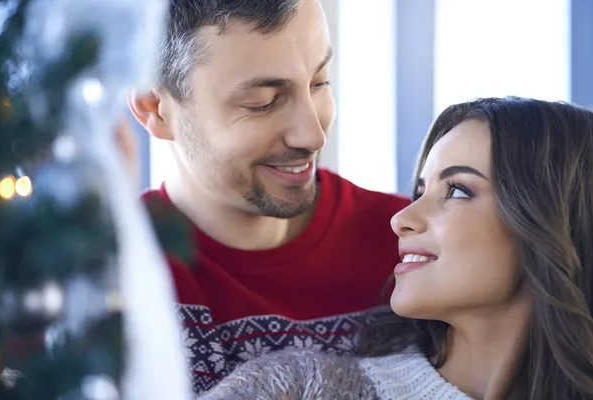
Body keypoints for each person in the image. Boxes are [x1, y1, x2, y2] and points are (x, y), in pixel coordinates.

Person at [193, 97, 593, 400]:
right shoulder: (296, 389)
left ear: (553, 222)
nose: (401, 219)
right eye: (419, 190)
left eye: (456, 190)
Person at [127, 0, 410, 393]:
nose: (313, 135)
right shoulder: (107, 276)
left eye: (320, 82)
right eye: (262, 102)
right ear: (155, 108)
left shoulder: (413, 246)